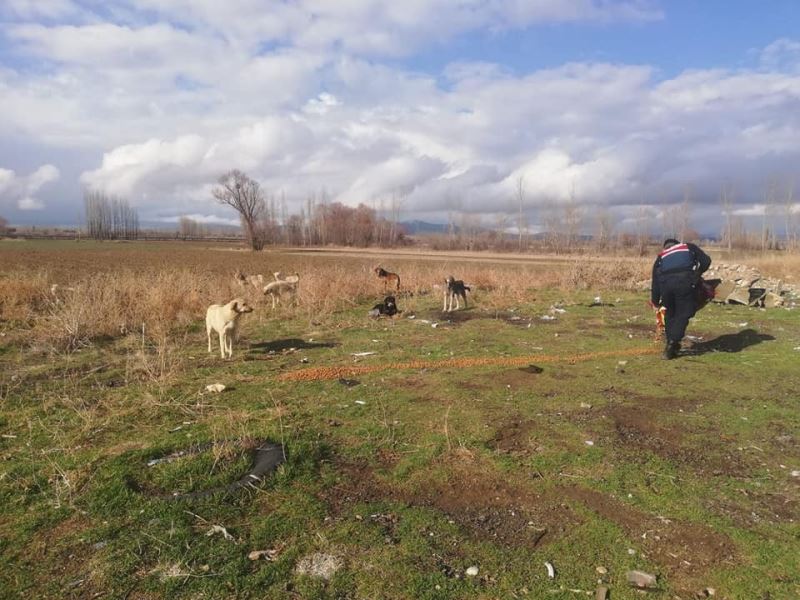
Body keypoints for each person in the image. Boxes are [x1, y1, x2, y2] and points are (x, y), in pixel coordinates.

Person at [650, 238, 712, 359]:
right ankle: (673, 342)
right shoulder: (687, 247)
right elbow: (706, 261)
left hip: (665, 286)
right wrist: (697, 273)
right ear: (677, 244)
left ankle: (671, 344)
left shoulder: (661, 257)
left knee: (670, 313)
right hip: (684, 283)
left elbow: (655, 282)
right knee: (684, 312)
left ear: (665, 247)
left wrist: (655, 301)